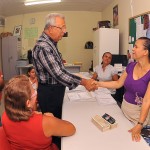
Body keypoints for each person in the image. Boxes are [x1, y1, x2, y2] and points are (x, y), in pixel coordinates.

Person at [32, 13, 97, 149]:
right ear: (50, 28)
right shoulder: (44, 47)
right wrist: (84, 82)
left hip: (54, 90)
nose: (64, 31)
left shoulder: (51, 43)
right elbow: (59, 74)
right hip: (50, 93)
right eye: (61, 28)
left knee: (58, 121)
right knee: (53, 127)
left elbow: (59, 68)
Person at [95, 37, 150, 142]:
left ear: (145, 52)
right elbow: (118, 83)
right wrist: (98, 83)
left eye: (136, 47)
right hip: (124, 110)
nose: (133, 49)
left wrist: (140, 124)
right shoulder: (130, 66)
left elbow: (147, 101)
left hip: (139, 116)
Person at [1, 75, 76, 150]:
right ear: (28, 103)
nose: (36, 93)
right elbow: (71, 129)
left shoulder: (4, 116)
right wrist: (51, 118)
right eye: (34, 90)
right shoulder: (45, 122)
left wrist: (33, 112)